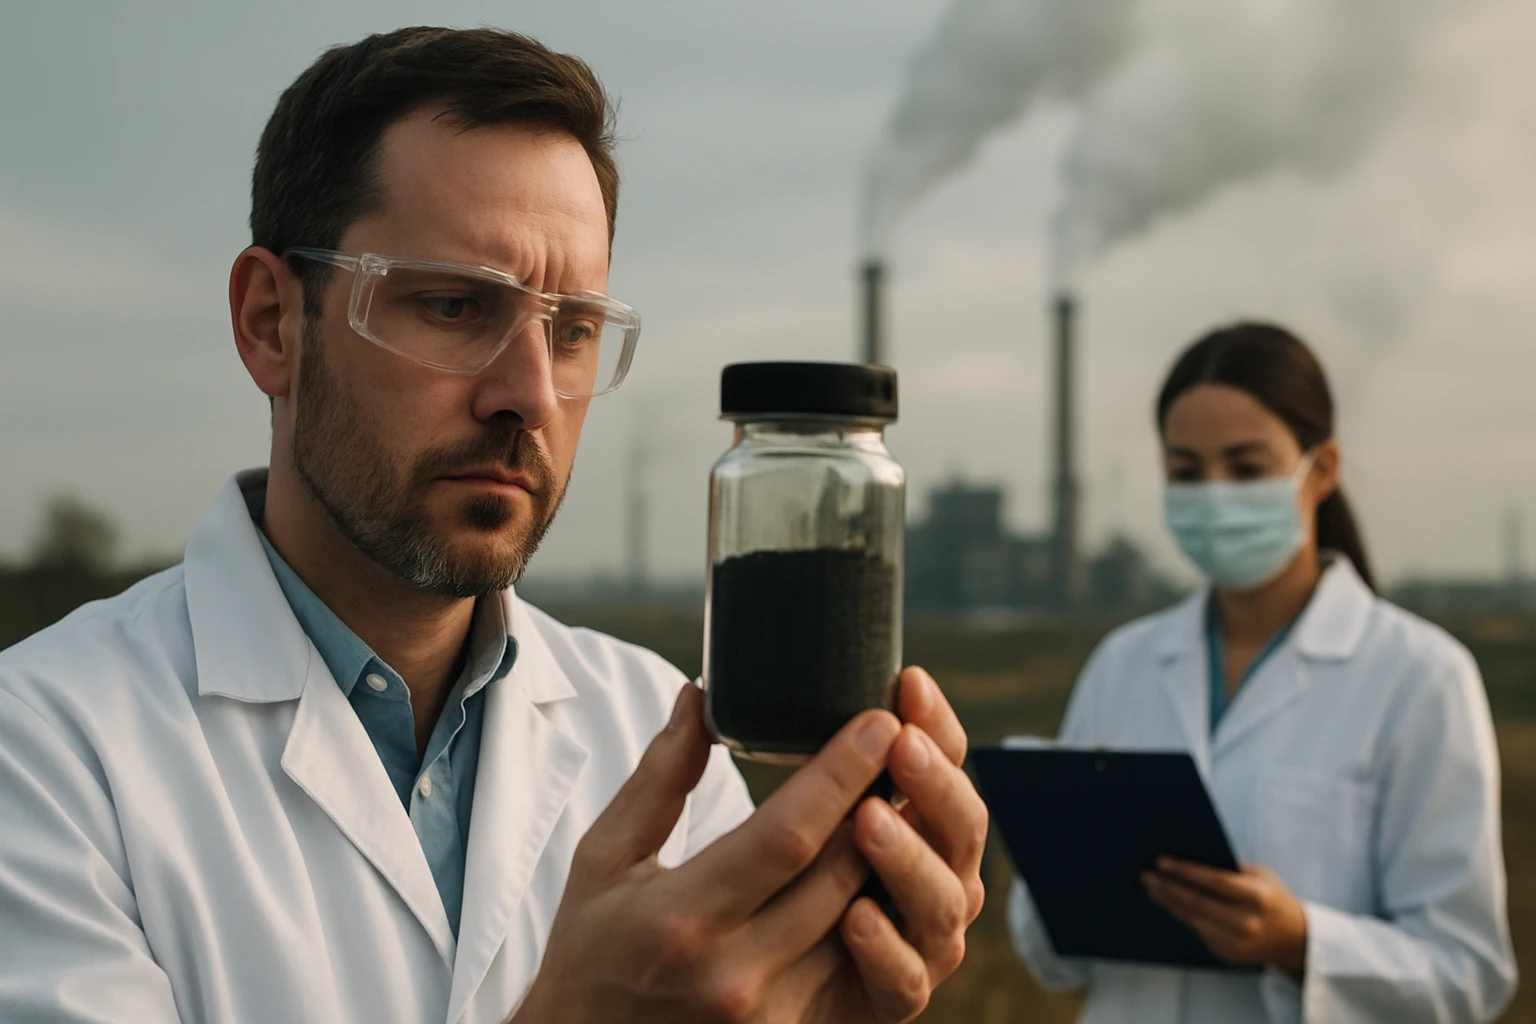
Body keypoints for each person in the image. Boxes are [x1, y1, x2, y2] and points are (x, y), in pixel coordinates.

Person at [0, 27, 987, 1024]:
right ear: (270, 321)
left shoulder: (653, 725)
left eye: (571, 332)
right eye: (454, 306)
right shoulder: (43, 751)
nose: (529, 396)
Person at [1008, 323, 1517, 1022]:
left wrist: (1302, 942)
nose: (1214, 496)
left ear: (1323, 469)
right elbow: (1050, 958)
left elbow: (1469, 975)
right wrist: (1060, 864)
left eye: (1246, 468)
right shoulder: (1123, 664)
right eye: (1187, 473)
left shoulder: (1420, 678)